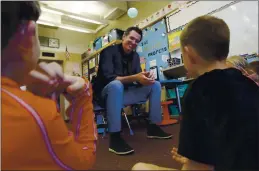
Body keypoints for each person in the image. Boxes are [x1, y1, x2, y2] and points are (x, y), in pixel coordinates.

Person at [132, 16, 259, 170]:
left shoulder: (196, 93)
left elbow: (198, 169)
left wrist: (190, 162)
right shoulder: (250, 85)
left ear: (188, 53)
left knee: (140, 168)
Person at [2, 2, 97, 170]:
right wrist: (83, 95)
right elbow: (83, 161)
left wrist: (35, 96)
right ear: (28, 33)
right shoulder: (36, 115)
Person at [93, 26, 172, 155]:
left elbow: (136, 78)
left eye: (137, 41)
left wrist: (144, 78)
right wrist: (135, 77)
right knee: (116, 85)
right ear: (124, 36)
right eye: (131, 38)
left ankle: (153, 127)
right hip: (106, 94)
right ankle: (115, 137)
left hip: (124, 93)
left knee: (156, 84)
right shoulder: (108, 52)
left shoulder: (135, 56)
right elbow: (109, 78)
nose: (134, 42)